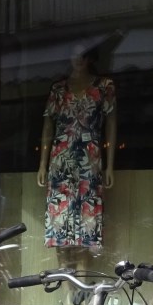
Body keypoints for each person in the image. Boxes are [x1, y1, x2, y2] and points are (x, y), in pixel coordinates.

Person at [36, 43, 118, 256]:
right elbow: (48, 125)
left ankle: (81, 275)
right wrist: (43, 164)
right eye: (74, 55)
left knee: (86, 221)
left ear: (90, 58)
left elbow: (111, 123)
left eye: (83, 55)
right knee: (60, 219)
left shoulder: (104, 86)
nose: (78, 59)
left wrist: (110, 166)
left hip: (89, 160)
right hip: (60, 160)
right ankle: (64, 276)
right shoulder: (58, 89)